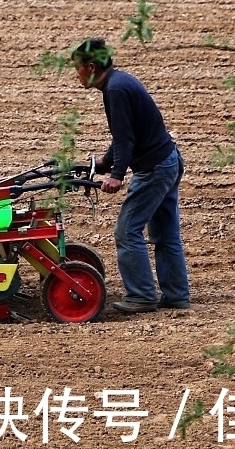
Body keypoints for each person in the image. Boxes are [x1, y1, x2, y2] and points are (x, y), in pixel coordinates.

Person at [70, 38, 190, 313]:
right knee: (166, 234)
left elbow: (126, 140)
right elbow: (125, 136)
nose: (76, 75)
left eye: (77, 69)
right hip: (168, 160)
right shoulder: (119, 82)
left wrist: (116, 174)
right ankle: (176, 296)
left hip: (155, 169)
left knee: (127, 231)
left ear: (90, 67)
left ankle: (142, 296)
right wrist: (105, 162)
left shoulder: (115, 90)